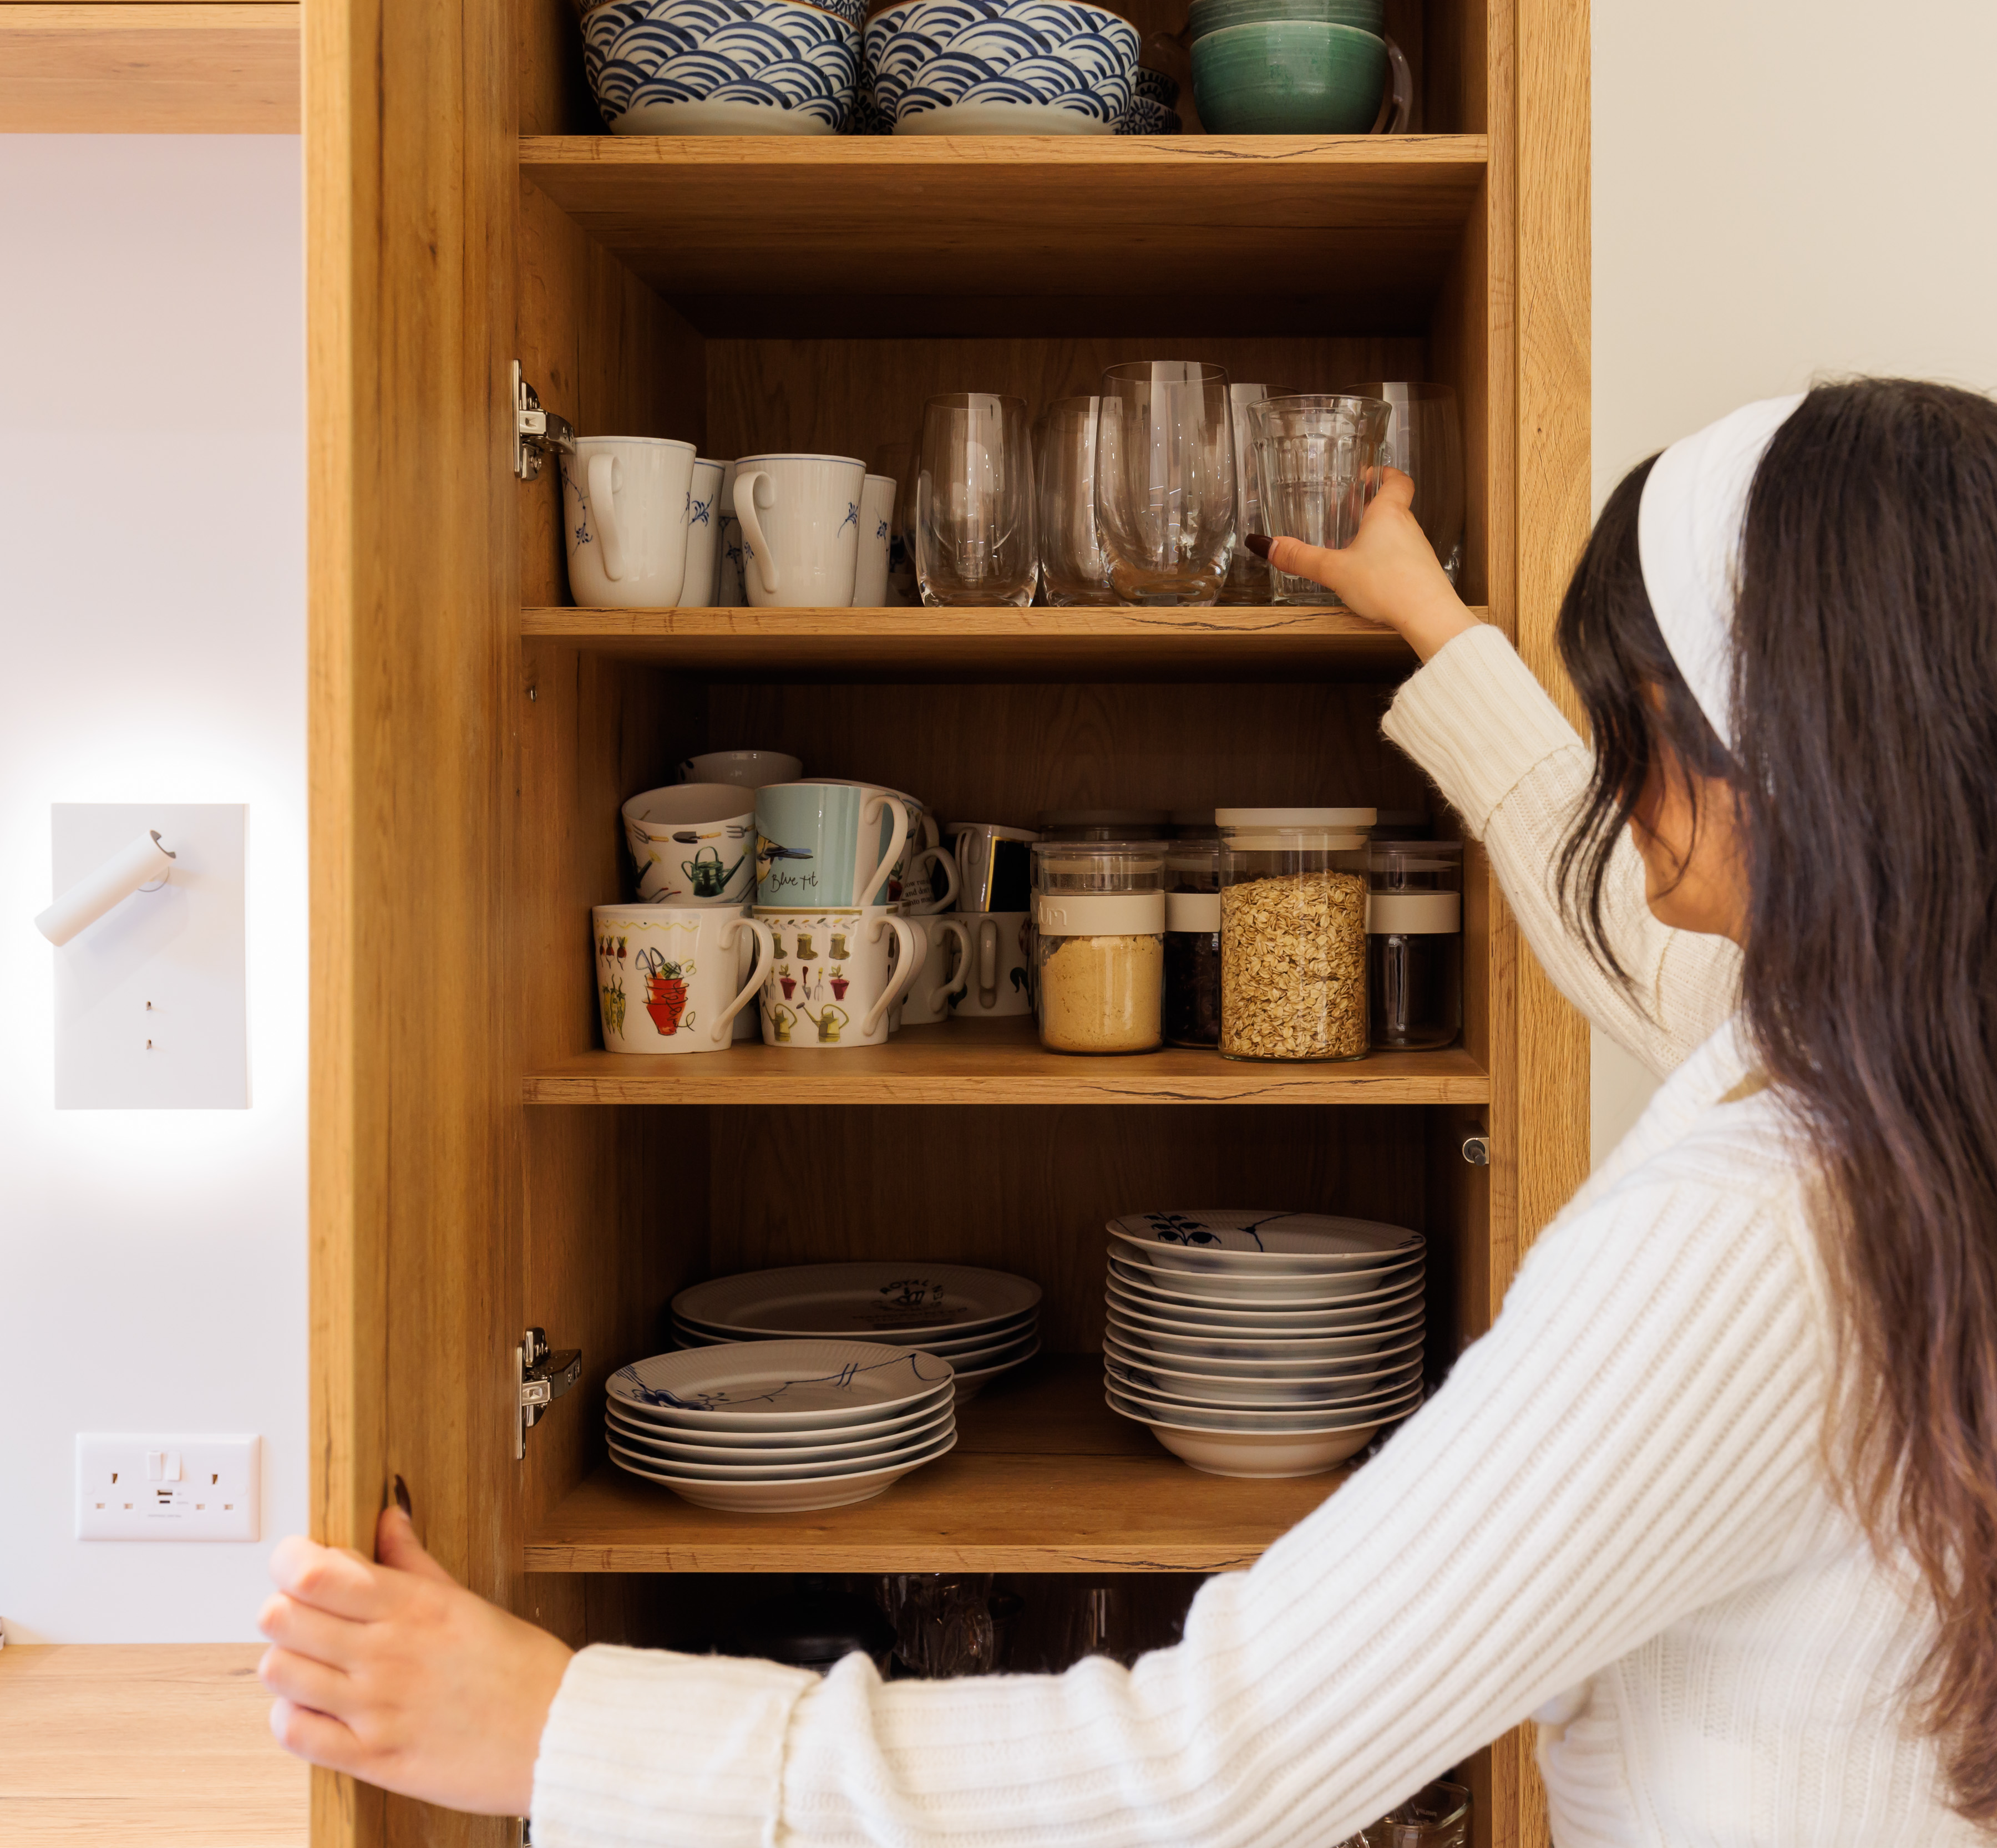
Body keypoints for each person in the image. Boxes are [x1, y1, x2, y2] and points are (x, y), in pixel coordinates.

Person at [256, 379, 1997, 1846]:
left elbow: (1209, 1770)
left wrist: (561, 1728)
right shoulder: (1930, 1060)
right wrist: (1431, 620)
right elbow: (1633, 919)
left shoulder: (1749, 1235)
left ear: (1770, 747)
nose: (1613, 780)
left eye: (1634, 720)